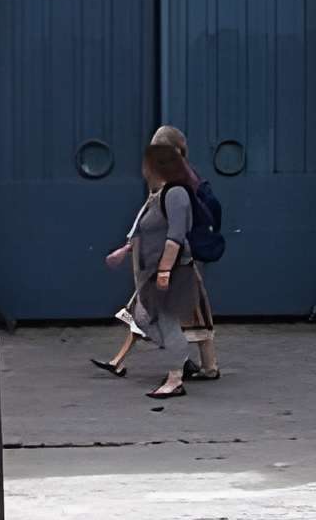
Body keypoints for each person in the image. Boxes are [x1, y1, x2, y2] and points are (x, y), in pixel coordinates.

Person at [92, 138, 202, 401]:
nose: (143, 170)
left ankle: (175, 379)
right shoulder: (160, 195)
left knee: (166, 321)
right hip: (152, 272)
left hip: (172, 272)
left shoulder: (176, 194)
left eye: (147, 165)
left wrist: (164, 271)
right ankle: (182, 358)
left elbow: (175, 237)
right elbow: (147, 230)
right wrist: (125, 251)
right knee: (142, 318)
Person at [152, 122, 222, 382]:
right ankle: (208, 365)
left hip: (182, 254)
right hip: (189, 253)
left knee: (178, 312)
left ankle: (179, 369)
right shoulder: (191, 176)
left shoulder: (176, 181)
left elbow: (175, 225)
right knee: (196, 311)